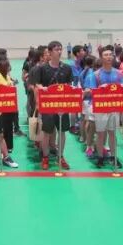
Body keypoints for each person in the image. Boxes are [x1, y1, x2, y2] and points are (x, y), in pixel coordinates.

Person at [29, 40, 76, 171]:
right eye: (56, 49)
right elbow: (36, 84)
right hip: (48, 106)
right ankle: (45, 157)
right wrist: (41, 88)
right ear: (49, 52)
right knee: (46, 133)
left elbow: (69, 84)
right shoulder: (42, 68)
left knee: (62, 132)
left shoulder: (67, 68)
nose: (59, 52)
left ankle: (60, 156)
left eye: (60, 49)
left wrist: (71, 88)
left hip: (62, 106)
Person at [91, 47, 123, 168]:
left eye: (111, 54)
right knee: (100, 134)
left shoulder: (119, 73)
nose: (109, 57)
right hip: (100, 108)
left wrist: (122, 86)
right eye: (106, 55)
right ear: (101, 58)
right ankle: (100, 157)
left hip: (114, 107)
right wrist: (99, 89)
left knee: (112, 133)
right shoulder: (96, 74)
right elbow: (91, 91)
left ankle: (113, 156)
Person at [0, 55, 19, 168]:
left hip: (7, 106)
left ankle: (4, 152)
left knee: (4, 130)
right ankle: (1, 154)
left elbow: (9, 86)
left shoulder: (6, 75)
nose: (8, 67)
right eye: (7, 66)